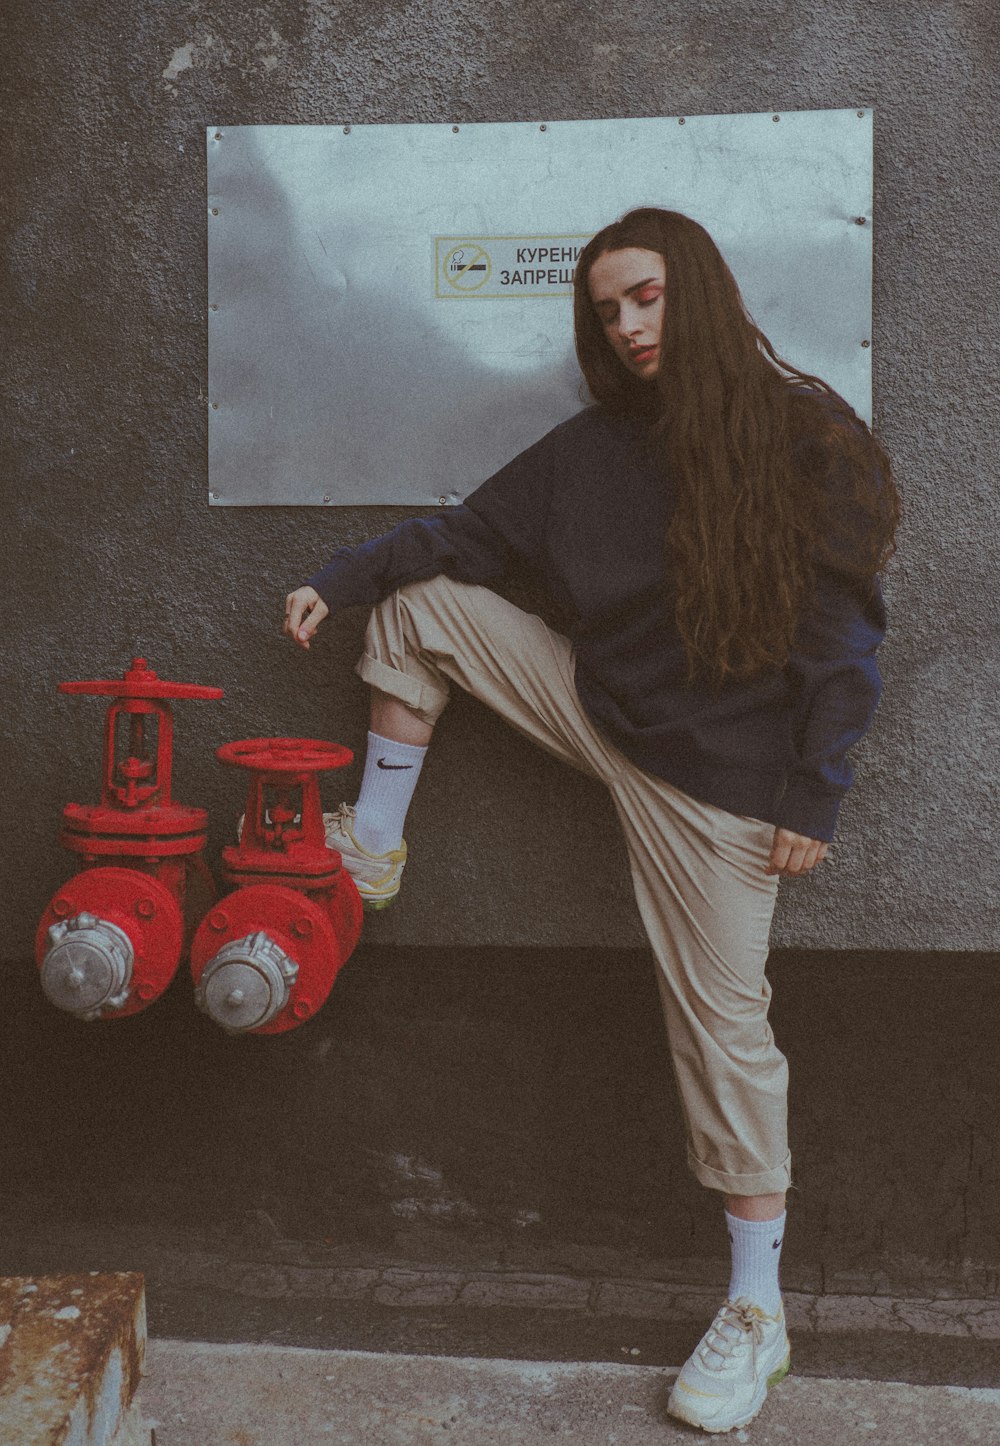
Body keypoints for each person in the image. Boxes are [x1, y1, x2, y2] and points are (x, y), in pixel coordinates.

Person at [283, 207, 899, 1434]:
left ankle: (754, 1313)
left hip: (715, 790)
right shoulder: (594, 449)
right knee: (420, 611)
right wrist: (340, 577)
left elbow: (844, 636)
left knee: (723, 1037)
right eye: (609, 310)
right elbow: (466, 535)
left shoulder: (802, 434)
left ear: (700, 294)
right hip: (599, 708)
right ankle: (376, 846)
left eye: (648, 297)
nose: (628, 327)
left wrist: (810, 792)